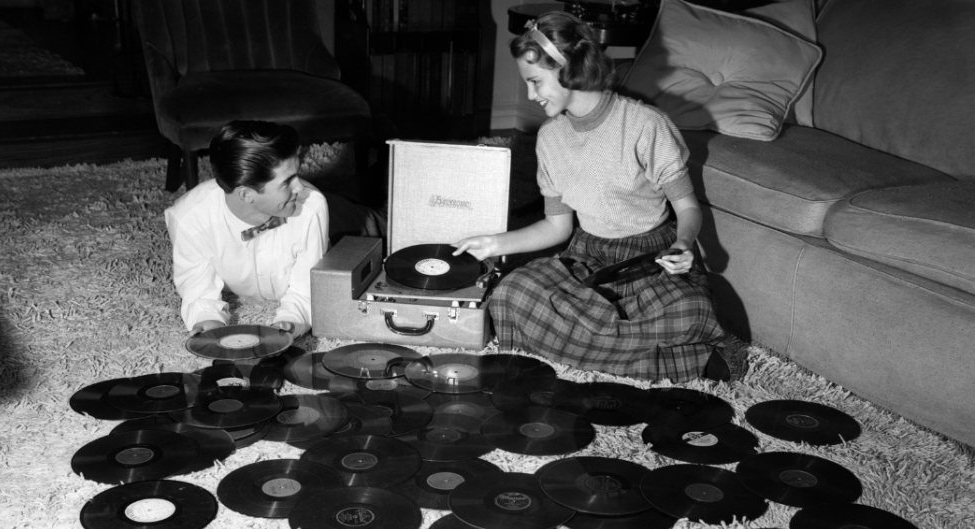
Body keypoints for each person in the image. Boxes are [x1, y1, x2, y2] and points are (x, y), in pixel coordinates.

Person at [452, 12, 728, 382]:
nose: (531, 96)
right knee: (511, 295)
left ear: (567, 69)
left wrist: (682, 244)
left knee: (690, 311)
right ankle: (665, 358)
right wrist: (494, 243)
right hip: (588, 256)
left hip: (650, 257)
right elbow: (557, 226)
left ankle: (590, 344)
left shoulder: (646, 125)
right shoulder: (550, 138)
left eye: (535, 82)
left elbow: (688, 208)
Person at [165, 120, 384, 338]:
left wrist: (292, 319)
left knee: (386, 219)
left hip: (338, 222)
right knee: (354, 190)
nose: (299, 186)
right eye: (287, 181)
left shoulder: (311, 206)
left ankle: (385, 160)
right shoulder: (188, 219)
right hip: (288, 206)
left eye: (296, 175)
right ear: (246, 194)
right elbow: (197, 290)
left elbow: (305, 290)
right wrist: (207, 320)